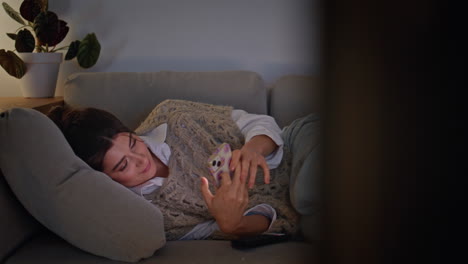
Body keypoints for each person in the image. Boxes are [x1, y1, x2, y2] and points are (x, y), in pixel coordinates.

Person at [47, 99, 314, 241]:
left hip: (301, 145)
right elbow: (265, 224)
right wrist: (235, 223)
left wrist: (254, 149)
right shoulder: (151, 216)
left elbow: (256, 122)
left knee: (307, 193)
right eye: (123, 165)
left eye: (132, 142)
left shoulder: (172, 116)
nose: (141, 159)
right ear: (104, 178)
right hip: (298, 213)